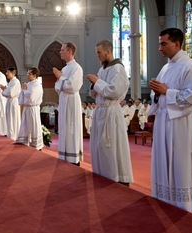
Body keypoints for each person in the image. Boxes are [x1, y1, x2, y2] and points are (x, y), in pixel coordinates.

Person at [148, 28, 192, 213]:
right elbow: (159, 95)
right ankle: (165, 199)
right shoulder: (165, 68)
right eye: (159, 43)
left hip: (180, 124)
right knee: (163, 160)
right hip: (163, 121)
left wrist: (166, 92)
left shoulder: (190, 67)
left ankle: (183, 206)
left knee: (180, 162)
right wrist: (157, 93)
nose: (159, 48)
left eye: (164, 43)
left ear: (177, 44)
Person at [87, 39, 133, 185]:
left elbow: (114, 91)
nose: (97, 55)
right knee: (99, 146)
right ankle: (102, 173)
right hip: (100, 111)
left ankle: (116, 177)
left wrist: (97, 82)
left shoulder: (118, 69)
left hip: (111, 112)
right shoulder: (102, 69)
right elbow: (95, 94)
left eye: (99, 52)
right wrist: (94, 84)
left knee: (111, 145)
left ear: (108, 51)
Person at [53, 42, 83, 166]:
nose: (60, 52)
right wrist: (60, 79)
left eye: (62, 50)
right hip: (64, 100)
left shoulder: (76, 68)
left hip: (71, 101)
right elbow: (57, 88)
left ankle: (73, 159)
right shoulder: (65, 69)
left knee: (71, 127)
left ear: (69, 51)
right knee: (64, 127)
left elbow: (72, 87)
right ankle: (64, 155)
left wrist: (60, 78)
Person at [15, 67, 44, 150]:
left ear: (34, 75)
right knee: (25, 124)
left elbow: (32, 96)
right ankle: (25, 140)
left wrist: (24, 90)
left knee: (34, 125)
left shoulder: (37, 85)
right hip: (26, 108)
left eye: (29, 73)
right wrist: (23, 90)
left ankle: (36, 144)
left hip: (33, 108)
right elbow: (21, 95)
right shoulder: (28, 84)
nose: (27, 75)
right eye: (27, 73)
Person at [1, 67, 21, 140]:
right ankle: (10, 135)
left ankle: (14, 136)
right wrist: (5, 90)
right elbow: (8, 92)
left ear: (13, 73)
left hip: (14, 102)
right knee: (9, 119)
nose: (6, 74)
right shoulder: (10, 82)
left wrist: (4, 90)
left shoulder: (16, 82)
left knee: (13, 119)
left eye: (8, 72)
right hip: (9, 102)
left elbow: (11, 93)